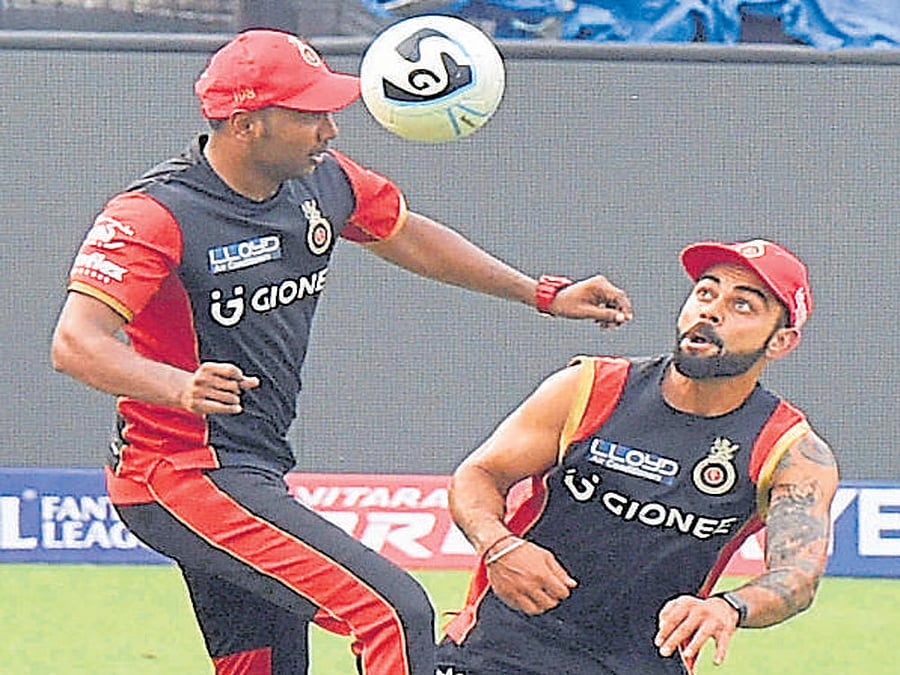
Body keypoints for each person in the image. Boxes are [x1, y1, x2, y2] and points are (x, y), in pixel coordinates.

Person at [49, 28, 632, 675]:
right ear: (246, 124)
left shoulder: (324, 181)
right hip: (180, 472)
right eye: (309, 114)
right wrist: (176, 386)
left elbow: (405, 234)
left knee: (265, 664)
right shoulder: (154, 214)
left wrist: (542, 293)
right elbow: (76, 342)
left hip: (251, 466)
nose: (330, 129)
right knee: (393, 611)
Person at [435, 239, 838, 674]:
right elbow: (479, 474)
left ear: (781, 341)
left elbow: (797, 577)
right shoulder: (588, 387)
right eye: (706, 292)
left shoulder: (791, 451)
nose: (711, 311)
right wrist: (498, 546)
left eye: (742, 305)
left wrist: (729, 607)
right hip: (496, 652)